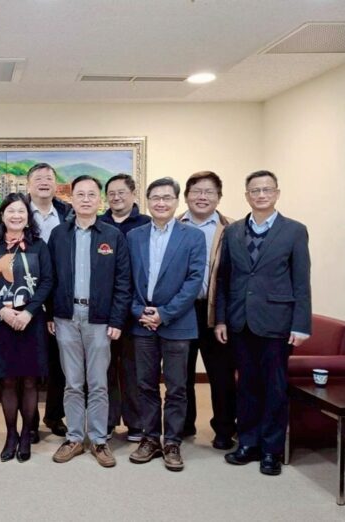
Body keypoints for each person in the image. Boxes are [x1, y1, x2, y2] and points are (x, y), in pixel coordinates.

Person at [216, 170, 311, 476]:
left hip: (277, 322)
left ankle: (271, 450)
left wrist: (301, 324)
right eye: (254, 190)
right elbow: (224, 279)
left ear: (276, 194)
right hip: (240, 321)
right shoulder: (233, 231)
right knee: (246, 385)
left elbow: (301, 281)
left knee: (274, 387)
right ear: (247, 196)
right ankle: (248, 443)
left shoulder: (294, 231)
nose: (260, 195)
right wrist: (221, 319)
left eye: (266, 190)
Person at [48, 175, 131, 468]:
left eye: (91, 194)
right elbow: (49, 278)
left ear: (100, 200)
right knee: (72, 383)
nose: (85, 199)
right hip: (66, 318)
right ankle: (73, 437)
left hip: (99, 320)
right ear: (71, 199)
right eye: (80, 194)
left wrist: (117, 319)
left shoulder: (112, 235)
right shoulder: (59, 234)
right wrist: (50, 313)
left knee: (98, 383)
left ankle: (98, 439)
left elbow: (123, 281)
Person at [127, 177, 205, 472]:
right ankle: (150, 438)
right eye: (155, 198)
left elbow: (194, 281)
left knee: (177, 387)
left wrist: (165, 313)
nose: (161, 203)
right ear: (147, 201)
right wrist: (139, 311)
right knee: (145, 384)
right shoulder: (134, 236)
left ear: (177, 201)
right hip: (142, 323)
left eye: (167, 197)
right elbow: (125, 278)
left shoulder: (193, 236)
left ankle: (172, 441)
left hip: (177, 322)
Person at [0, 193, 53, 462]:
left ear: (28, 217)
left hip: (31, 322)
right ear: (2, 215)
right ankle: (11, 435)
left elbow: (47, 281)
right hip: (3, 321)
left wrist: (29, 312)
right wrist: (2, 310)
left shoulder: (39, 246)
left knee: (30, 381)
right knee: (8, 381)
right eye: (11, 211)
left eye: (21, 211)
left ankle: (26, 435)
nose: (16, 216)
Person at [178, 171, 236, 449]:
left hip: (217, 313)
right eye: (196, 191)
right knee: (181, 374)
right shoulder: (173, 225)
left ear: (219, 197)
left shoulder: (232, 229)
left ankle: (224, 429)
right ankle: (184, 424)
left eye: (209, 192)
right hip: (181, 311)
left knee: (221, 375)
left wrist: (225, 316)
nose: (202, 197)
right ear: (186, 196)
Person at [100, 173, 151, 442]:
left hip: (135, 309)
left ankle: (136, 423)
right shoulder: (99, 224)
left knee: (134, 370)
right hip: (104, 309)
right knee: (105, 369)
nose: (116, 197)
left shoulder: (146, 224)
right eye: (111, 193)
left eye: (122, 192)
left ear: (133, 194)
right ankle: (107, 421)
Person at [26, 162, 72, 439]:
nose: (44, 182)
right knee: (29, 364)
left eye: (49, 178)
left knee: (59, 363)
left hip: (60, 297)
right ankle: (29, 421)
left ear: (56, 184)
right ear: (28, 184)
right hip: (25, 298)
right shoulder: (18, 210)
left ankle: (55, 415)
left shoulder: (67, 213)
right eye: (38, 178)